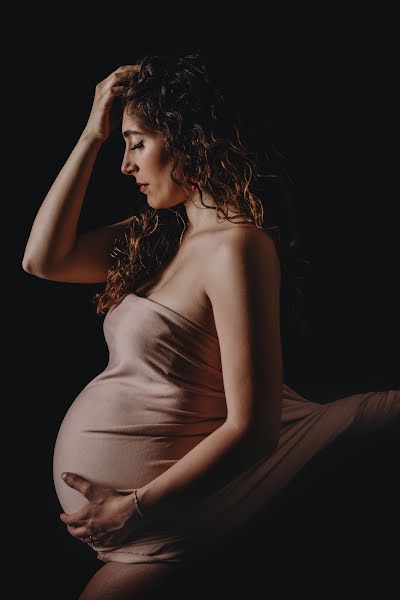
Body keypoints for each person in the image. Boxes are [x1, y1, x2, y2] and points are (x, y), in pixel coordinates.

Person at [22, 52, 399, 599]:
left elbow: (253, 428)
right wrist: (91, 135)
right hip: (135, 519)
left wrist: (134, 507)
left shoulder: (236, 246)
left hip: (166, 515)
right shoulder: (160, 236)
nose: (126, 164)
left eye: (137, 142)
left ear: (187, 137)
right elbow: (43, 261)